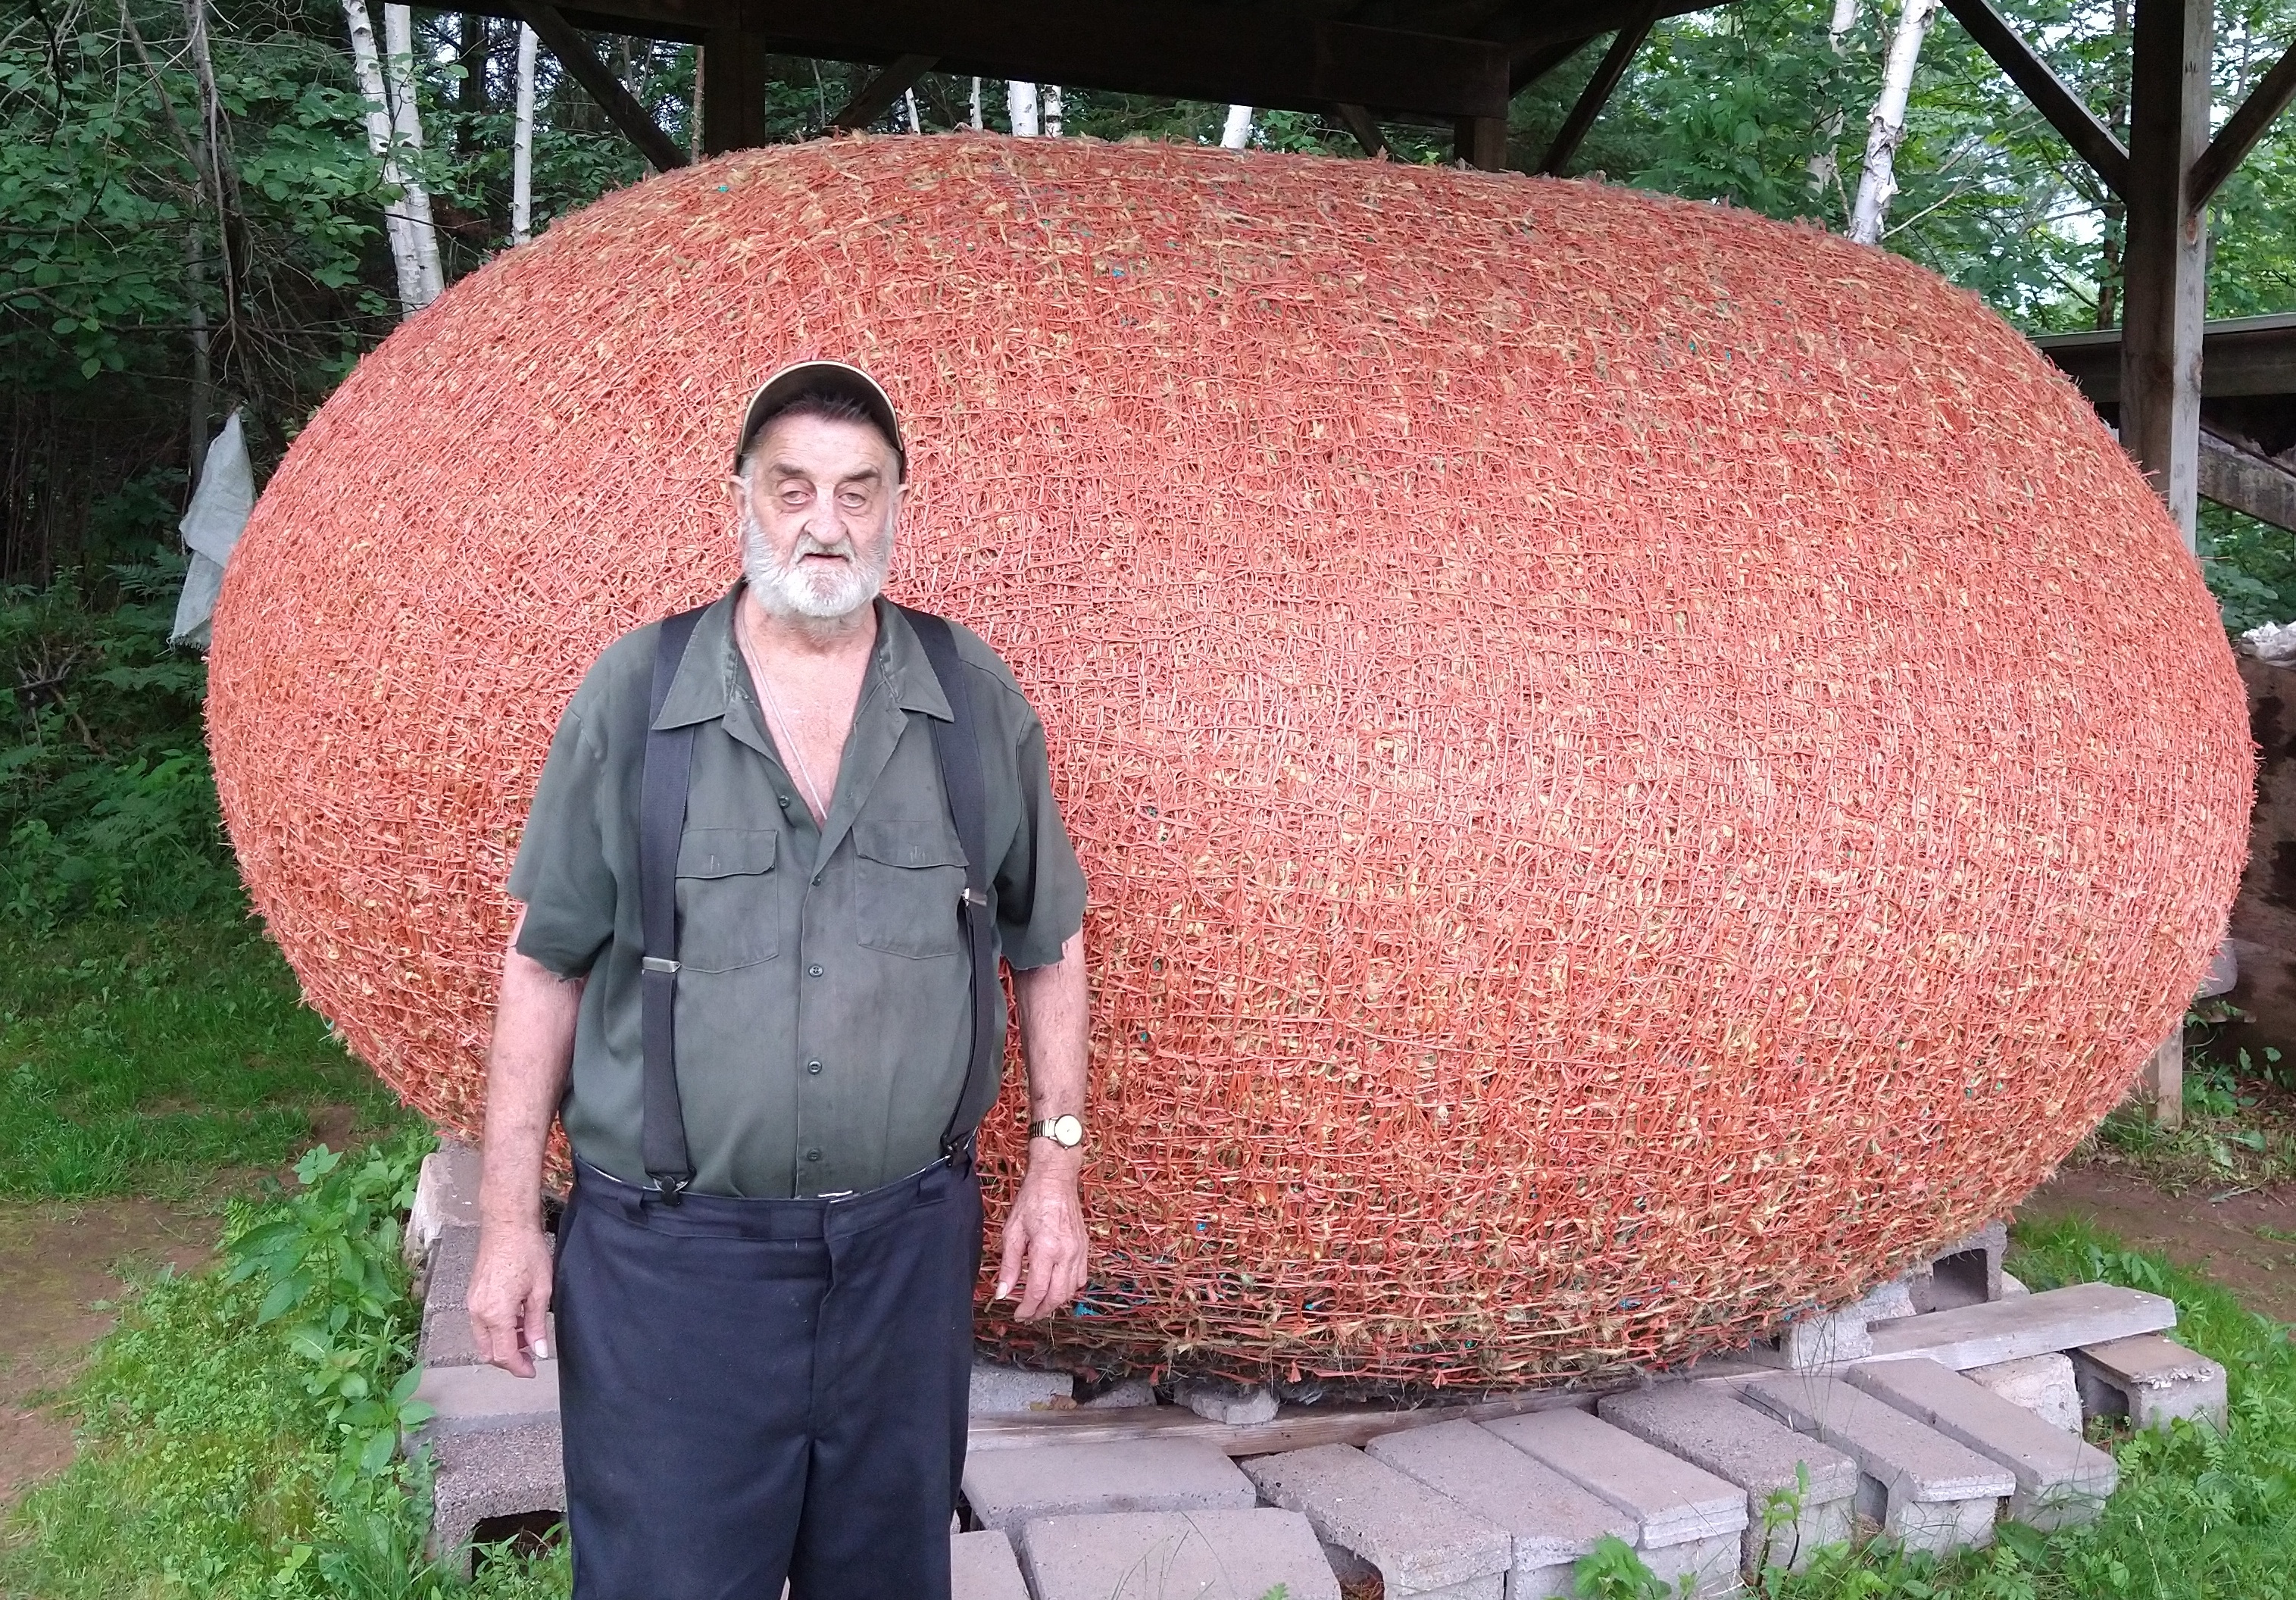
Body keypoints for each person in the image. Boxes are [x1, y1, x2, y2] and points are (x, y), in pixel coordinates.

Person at [464, 361, 1092, 1600]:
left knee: (886, 1577)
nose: (826, 522)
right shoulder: (636, 698)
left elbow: (1048, 941)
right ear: (739, 497)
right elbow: (544, 967)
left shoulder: (972, 700)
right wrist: (504, 1228)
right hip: (672, 1266)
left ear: (899, 505)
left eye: (860, 493)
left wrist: (1055, 1169)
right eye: (793, 486)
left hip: (906, 1258)